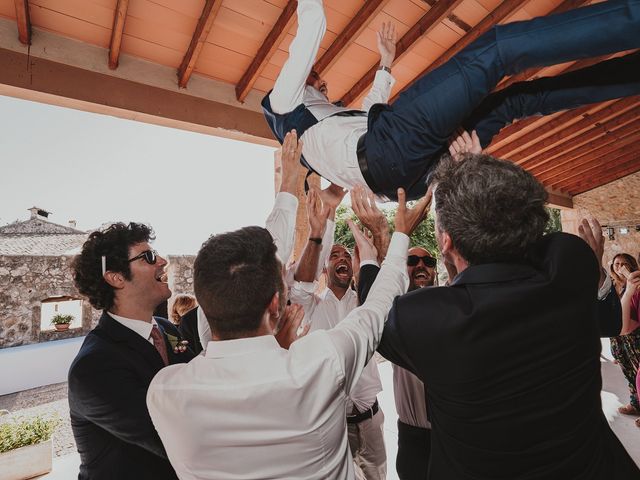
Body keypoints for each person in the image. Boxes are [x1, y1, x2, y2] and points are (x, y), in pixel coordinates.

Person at [375, 152, 637, 479]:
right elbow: (603, 313)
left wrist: (390, 242)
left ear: (446, 241)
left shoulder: (423, 318)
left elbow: (371, 320)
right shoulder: (570, 263)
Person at [146, 190, 428, 479]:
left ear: (203, 305)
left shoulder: (164, 392)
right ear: (275, 304)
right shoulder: (320, 362)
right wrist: (399, 235)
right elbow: (378, 308)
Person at [262, 0, 640, 200]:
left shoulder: (321, 128)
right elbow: (312, 27)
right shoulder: (282, 102)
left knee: (514, 101)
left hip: (409, 171)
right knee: (497, 49)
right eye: (315, 80)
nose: (320, 82)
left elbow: (368, 114)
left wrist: (386, 62)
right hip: (391, 150)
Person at [68, 222, 195, 480]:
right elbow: (178, 440)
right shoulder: (94, 367)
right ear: (115, 277)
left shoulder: (167, 328)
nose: (162, 261)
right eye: (148, 256)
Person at [351, 186, 436, 480]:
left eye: (429, 261)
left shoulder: (451, 304)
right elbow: (377, 303)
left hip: (452, 432)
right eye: (412, 261)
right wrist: (380, 244)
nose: (421, 265)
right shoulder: (397, 309)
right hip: (412, 434)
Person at [608, 253, 640, 417]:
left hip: (634, 335)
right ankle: (635, 403)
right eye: (616, 264)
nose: (619, 266)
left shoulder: (635, 283)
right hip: (617, 336)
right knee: (627, 370)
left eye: (624, 263)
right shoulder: (612, 286)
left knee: (638, 370)